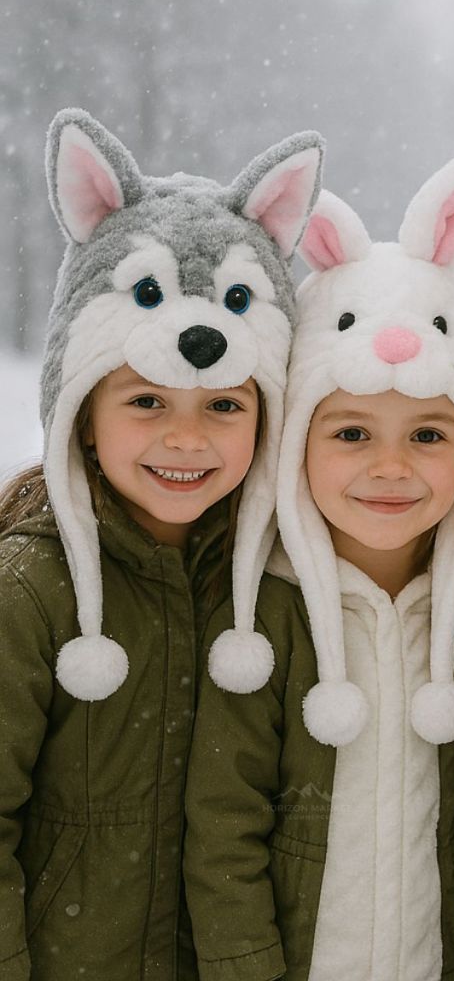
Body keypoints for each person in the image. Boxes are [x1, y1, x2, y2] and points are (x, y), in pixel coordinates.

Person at [0, 109, 323, 980]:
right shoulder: (30, 590)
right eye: (146, 402)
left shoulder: (271, 583)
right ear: (83, 415)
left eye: (223, 405)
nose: (187, 440)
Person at [184, 150, 454, 981]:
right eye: (352, 433)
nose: (390, 468)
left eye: (428, 435)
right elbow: (223, 833)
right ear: (296, 442)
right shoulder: (258, 620)